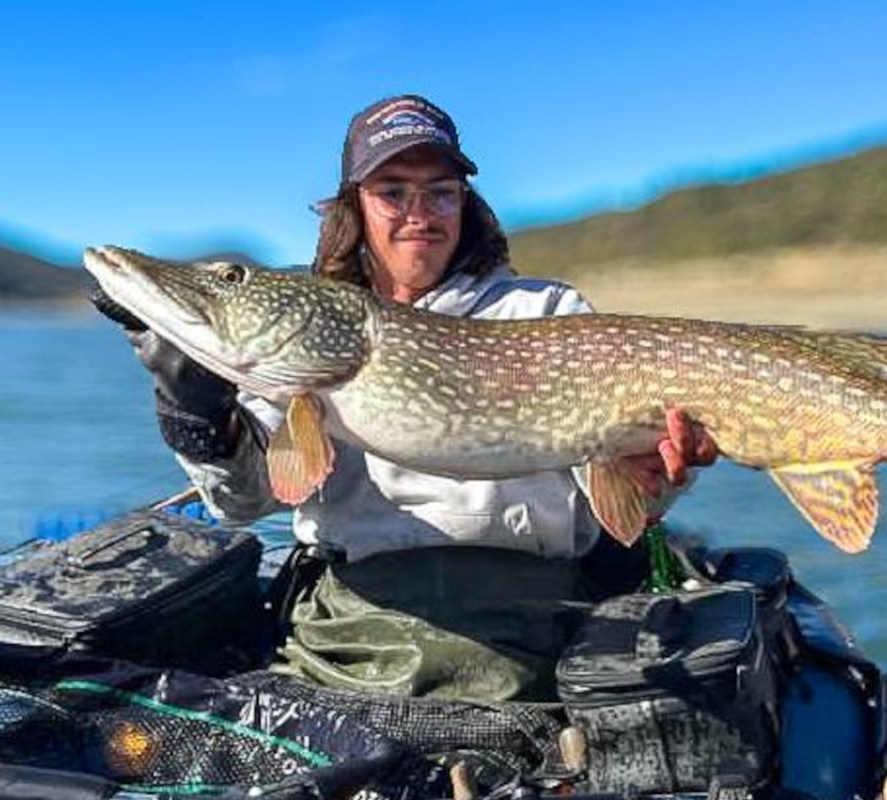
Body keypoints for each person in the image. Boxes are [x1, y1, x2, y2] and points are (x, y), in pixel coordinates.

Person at [94, 94, 716, 701]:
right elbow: (244, 499)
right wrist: (193, 404)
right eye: (392, 191)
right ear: (355, 208)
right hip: (350, 622)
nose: (419, 212)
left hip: (529, 618)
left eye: (440, 191)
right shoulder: (315, 329)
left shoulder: (544, 309)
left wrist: (659, 475)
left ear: (464, 204)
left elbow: (623, 495)